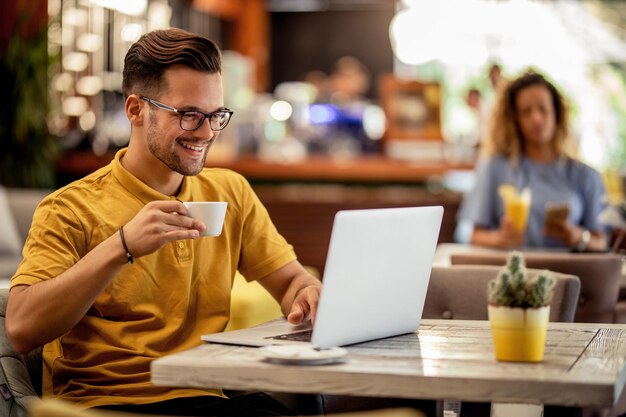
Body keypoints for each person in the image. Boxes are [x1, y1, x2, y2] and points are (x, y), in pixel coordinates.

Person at [6, 28, 322, 416]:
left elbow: (290, 281)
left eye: (215, 115)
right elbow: (21, 329)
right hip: (109, 405)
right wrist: (121, 246)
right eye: (189, 115)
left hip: (205, 397)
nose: (206, 133)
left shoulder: (229, 191)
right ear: (136, 110)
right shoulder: (70, 208)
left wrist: (307, 295)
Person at [458, 70, 608, 251]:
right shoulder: (494, 167)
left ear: (556, 112)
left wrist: (578, 237)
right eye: (526, 112)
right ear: (515, 119)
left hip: (571, 274)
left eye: (543, 108)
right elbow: (474, 236)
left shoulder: (586, 176)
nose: (536, 118)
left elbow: (602, 242)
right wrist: (500, 239)